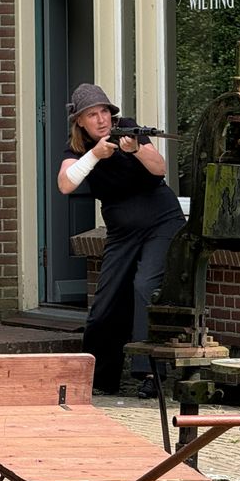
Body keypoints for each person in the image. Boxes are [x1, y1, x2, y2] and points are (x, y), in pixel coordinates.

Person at [56, 83, 184, 398]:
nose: (101, 119)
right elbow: (65, 184)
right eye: (92, 115)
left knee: (145, 286)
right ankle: (101, 378)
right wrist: (94, 155)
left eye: (104, 112)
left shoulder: (128, 128)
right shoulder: (78, 148)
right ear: (80, 121)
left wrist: (137, 149)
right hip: (121, 232)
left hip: (161, 221)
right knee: (105, 302)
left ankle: (151, 374)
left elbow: (160, 167)